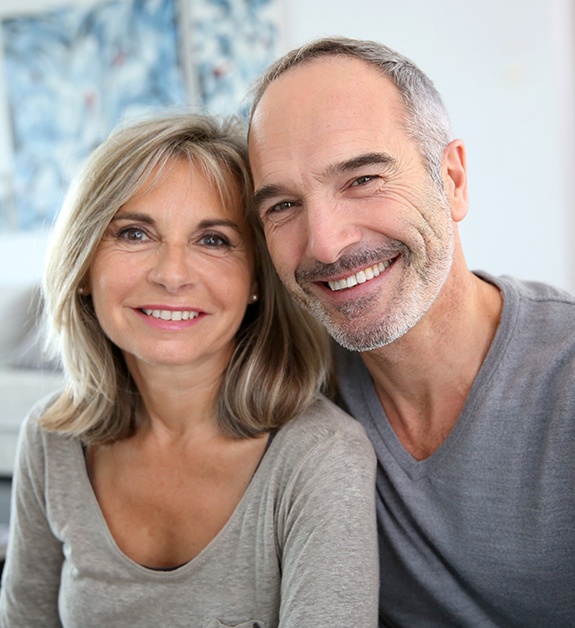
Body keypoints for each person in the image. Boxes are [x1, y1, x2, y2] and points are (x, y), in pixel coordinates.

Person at [0, 113, 379, 627]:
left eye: (214, 240)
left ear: (255, 281)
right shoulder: (52, 440)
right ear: (84, 266)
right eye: (134, 234)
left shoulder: (320, 457)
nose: (172, 274)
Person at [248, 36, 575, 626]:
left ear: (451, 180)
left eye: (363, 179)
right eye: (283, 207)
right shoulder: (288, 386)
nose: (325, 243)